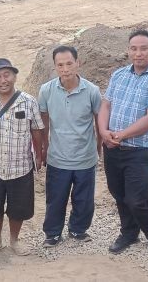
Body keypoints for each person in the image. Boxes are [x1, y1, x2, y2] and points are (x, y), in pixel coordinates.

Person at [100, 30, 148, 254]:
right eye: (134, 48)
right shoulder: (119, 75)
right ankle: (128, 234)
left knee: (137, 199)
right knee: (118, 193)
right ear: (128, 50)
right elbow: (106, 105)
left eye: (143, 48)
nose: (138, 53)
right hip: (112, 147)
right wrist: (103, 131)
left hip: (140, 150)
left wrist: (120, 134)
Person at [0, 58, 45, 256]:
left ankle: (14, 241)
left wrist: (38, 156)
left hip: (21, 166)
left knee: (19, 209)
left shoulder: (29, 101)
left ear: (14, 76)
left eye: (6, 75)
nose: (2, 80)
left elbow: (37, 130)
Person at [38, 45, 102, 248]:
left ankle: (78, 229)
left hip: (85, 156)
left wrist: (98, 149)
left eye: (69, 64)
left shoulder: (92, 91)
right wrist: (44, 148)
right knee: (55, 198)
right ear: (55, 67)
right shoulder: (46, 91)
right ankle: (53, 233)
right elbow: (44, 122)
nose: (65, 69)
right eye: (60, 65)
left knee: (84, 199)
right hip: (58, 157)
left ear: (77, 63)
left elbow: (99, 123)